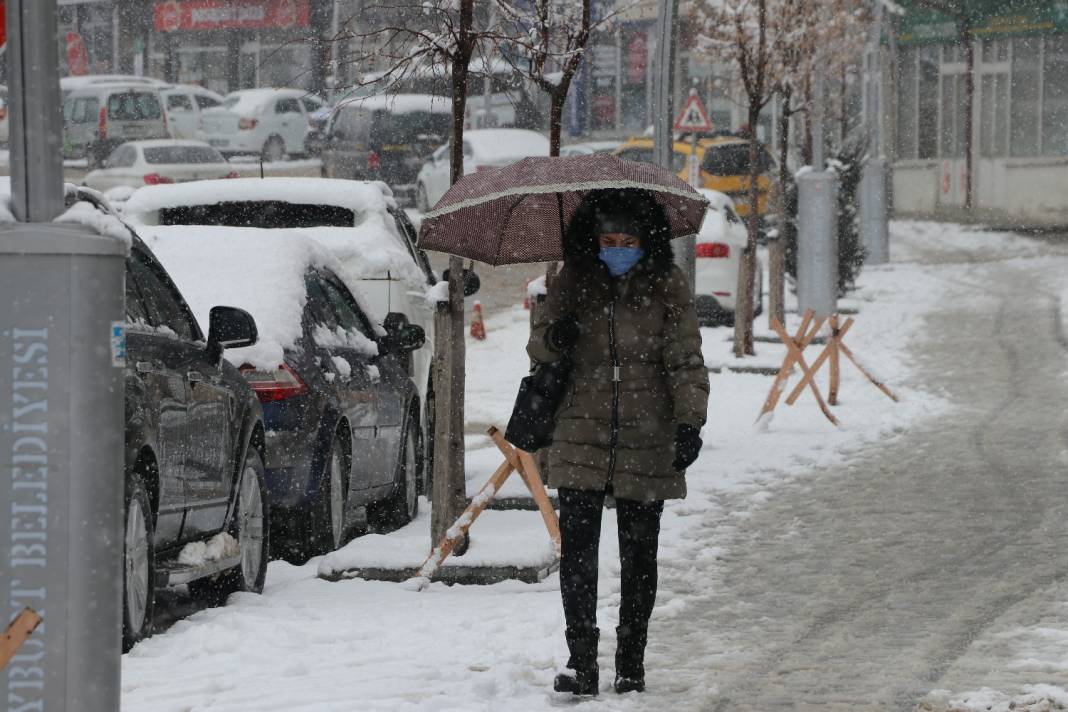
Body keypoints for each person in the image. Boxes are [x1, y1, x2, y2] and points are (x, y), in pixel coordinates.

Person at [527, 188, 710, 696]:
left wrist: (689, 422)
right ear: (593, 240)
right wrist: (555, 335)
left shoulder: (667, 286)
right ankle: (581, 660)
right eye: (608, 239)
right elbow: (538, 344)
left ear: (646, 240)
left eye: (628, 239)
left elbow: (686, 360)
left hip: (646, 431)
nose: (617, 247)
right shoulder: (572, 281)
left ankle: (631, 660)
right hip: (579, 429)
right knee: (578, 551)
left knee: (639, 553)